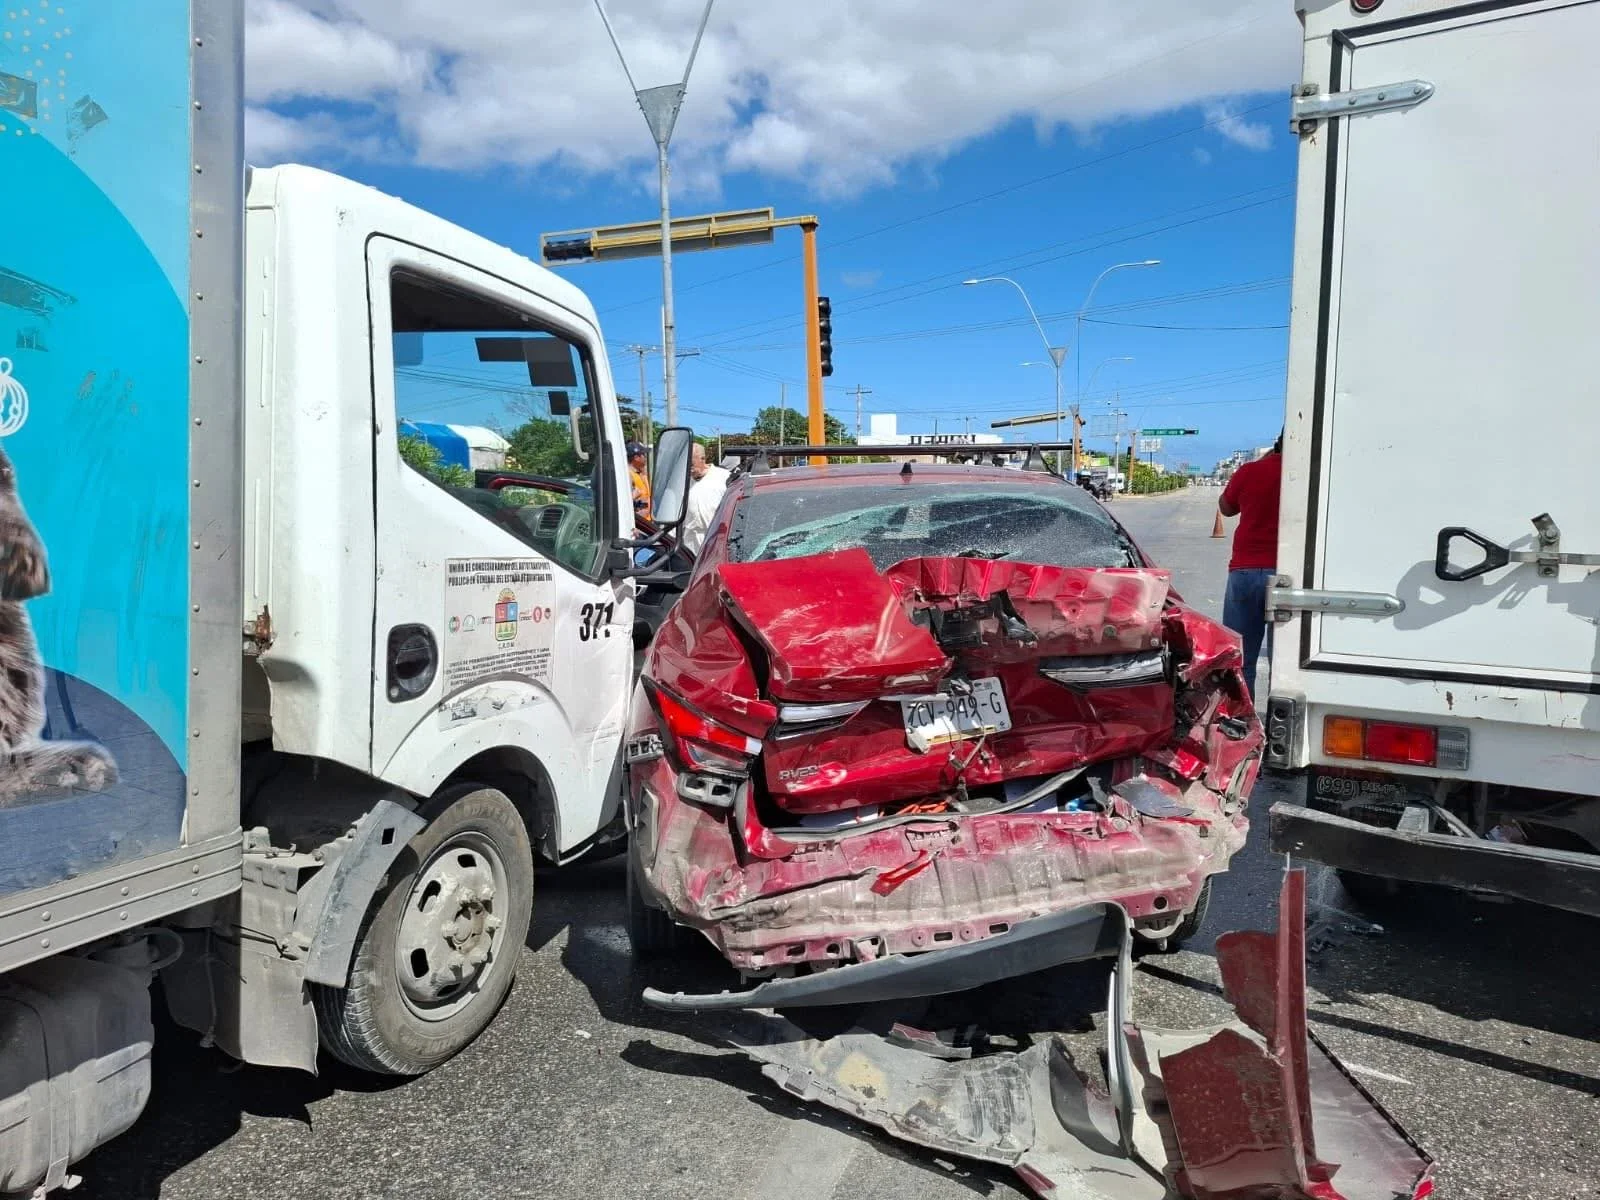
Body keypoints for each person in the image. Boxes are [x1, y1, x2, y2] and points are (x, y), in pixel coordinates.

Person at [1218, 433, 1282, 704]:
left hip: (1245, 572)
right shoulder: (1307, 473)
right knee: (1287, 665)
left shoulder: (1251, 471)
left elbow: (1226, 507)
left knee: (1241, 659)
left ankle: (1242, 723)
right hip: (1287, 576)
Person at [681, 441, 730, 555]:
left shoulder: (723, 477)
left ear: (702, 459)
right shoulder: (683, 481)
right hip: (691, 541)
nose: (689, 469)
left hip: (716, 539)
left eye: (692, 464)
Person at [627, 441, 651, 522]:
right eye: (643, 455)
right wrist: (633, 497)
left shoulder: (641, 473)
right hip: (639, 526)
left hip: (648, 523)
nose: (645, 457)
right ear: (636, 457)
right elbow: (623, 503)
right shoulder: (628, 475)